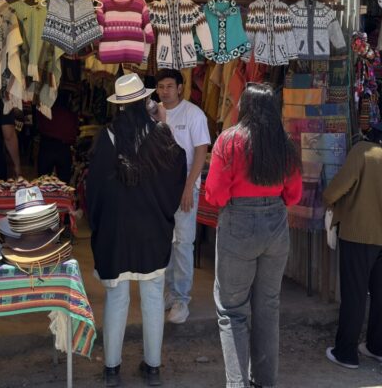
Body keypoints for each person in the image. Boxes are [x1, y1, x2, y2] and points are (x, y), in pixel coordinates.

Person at [87, 73, 186, 387]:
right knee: (153, 296)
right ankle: (153, 367)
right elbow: (177, 169)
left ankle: (112, 369)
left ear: (119, 105)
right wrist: (164, 121)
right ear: (146, 101)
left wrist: (99, 227)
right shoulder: (159, 133)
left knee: (116, 298)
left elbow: (95, 191)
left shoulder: (108, 137)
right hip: (151, 228)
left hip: (118, 231)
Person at [204, 83, 302, 388]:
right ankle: (264, 382)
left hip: (238, 224)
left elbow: (215, 195)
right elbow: (294, 194)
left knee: (232, 311)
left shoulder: (229, 141)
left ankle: (237, 384)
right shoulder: (284, 143)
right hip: (275, 224)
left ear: (244, 107)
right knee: (267, 308)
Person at [322, 112, 382, 370]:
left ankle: (346, 353)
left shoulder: (363, 151)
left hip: (358, 233)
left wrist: (327, 199)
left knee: (354, 294)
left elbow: (338, 188)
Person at [154, 68, 211, 325]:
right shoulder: (153, 113)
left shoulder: (194, 114)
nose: (164, 91)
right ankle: (168, 292)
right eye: (160, 87)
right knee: (162, 242)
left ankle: (181, 299)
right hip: (159, 190)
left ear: (180, 88)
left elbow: (201, 151)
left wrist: (189, 187)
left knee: (183, 244)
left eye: (169, 86)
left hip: (184, 189)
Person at [35, 90, 78, 183]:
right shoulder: (69, 114)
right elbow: (73, 133)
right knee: (64, 182)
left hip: (47, 145)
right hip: (63, 148)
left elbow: (39, 125)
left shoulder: (45, 110)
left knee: (43, 181)